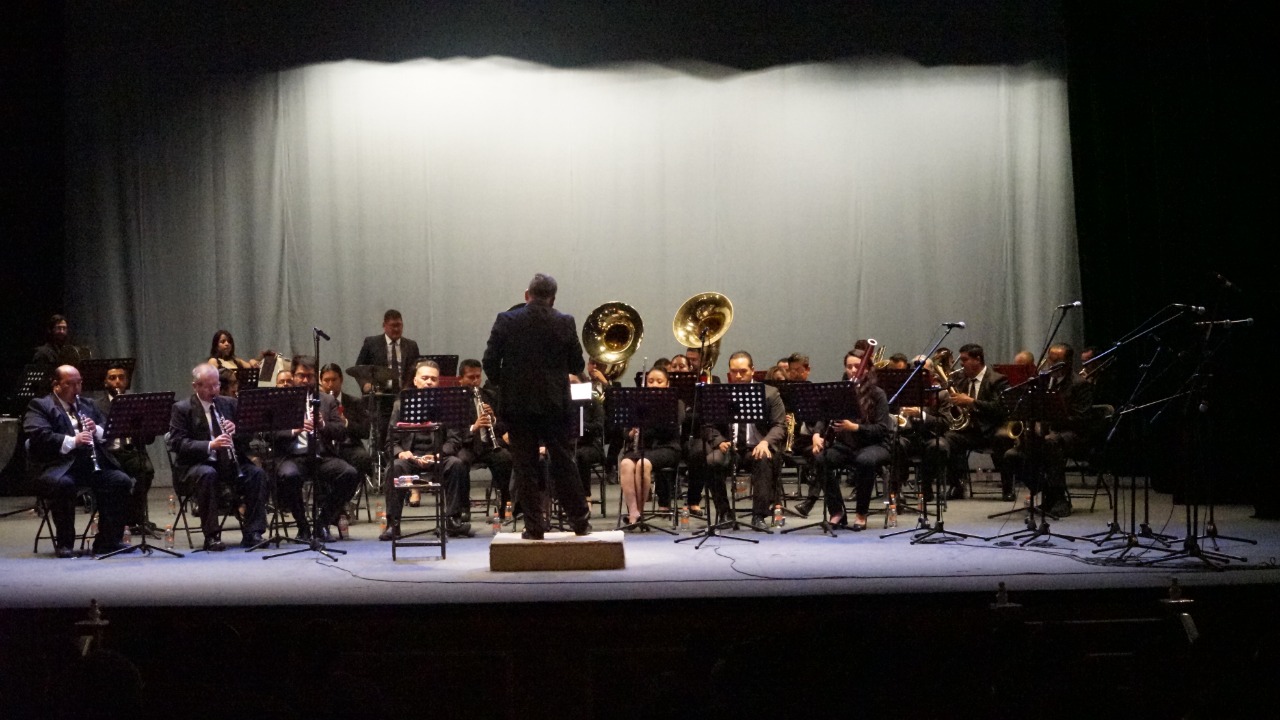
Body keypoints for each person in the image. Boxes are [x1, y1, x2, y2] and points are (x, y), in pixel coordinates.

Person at [482, 273, 591, 540]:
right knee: (564, 463)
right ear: (553, 299)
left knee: (525, 467)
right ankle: (580, 522)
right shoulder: (564, 321)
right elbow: (577, 364)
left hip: (518, 405)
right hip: (555, 404)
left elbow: (489, 362)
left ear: (527, 295)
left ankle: (534, 527)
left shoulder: (506, 320)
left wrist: (506, 384)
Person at [22, 365, 132, 557]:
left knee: (120, 480)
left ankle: (108, 541)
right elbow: (39, 436)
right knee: (65, 485)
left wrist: (96, 429)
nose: (76, 388)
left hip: (88, 466)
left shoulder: (87, 404)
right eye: (70, 384)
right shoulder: (40, 406)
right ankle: (65, 543)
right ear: (56, 385)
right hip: (57, 467)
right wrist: (74, 440)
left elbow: (108, 430)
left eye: (79, 383)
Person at [168, 364, 271, 550]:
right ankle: (212, 536)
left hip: (228, 464)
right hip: (195, 467)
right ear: (195, 386)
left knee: (257, 474)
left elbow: (249, 436)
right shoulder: (182, 408)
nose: (214, 390)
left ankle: (253, 533)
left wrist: (237, 431)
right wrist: (210, 445)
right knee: (208, 474)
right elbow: (177, 443)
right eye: (209, 386)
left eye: (216, 385)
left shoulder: (230, 404)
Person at [795, 344, 893, 529]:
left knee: (865, 461)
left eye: (857, 366)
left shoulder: (877, 394)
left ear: (867, 369)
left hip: (876, 445)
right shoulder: (840, 391)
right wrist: (816, 435)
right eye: (849, 366)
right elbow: (824, 416)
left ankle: (861, 513)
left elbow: (882, 429)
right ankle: (837, 511)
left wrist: (855, 427)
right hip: (847, 446)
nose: (853, 370)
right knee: (821, 459)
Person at [685, 351, 787, 530]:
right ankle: (725, 513)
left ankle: (759, 515)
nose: (738, 376)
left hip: (757, 447)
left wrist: (765, 442)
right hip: (730, 448)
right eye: (734, 371)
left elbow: (780, 425)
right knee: (712, 461)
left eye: (743, 371)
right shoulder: (720, 394)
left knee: (763, 458)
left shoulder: (770, 393)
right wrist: (719, 441)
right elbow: (708, 424)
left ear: (752, 370)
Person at [378, 360, 474, 540]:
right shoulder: (400, 405)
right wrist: (401, 453)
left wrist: (438, 454)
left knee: (457, 464)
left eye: (433, 379)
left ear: (438, 382)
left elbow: (454, 440)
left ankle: (452, 520)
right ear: (415, 381)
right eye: (424, 378)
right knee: (395, 467)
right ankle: (393, 523)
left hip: (437, 456)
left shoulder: (448, 406)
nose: (429, 382)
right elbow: (391, 441)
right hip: (410, 458)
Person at [272, 356, 360, 541]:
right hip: (291, 456)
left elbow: (341, 432)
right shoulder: (280, 400)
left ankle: (323, 523)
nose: (305, 380)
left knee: (350, 474)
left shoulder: (327, 400)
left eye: (309, 376)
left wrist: (323, 425)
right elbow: (269, 433)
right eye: (301, 375)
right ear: (293, 376)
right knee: (289, 476)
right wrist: (294, 430)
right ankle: (302, 525)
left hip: (321, 455)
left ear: (316, 378)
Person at [1003, 343, 1094, 517]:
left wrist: (1054, 420)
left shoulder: (1079, 384)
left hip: (1073, 434)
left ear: (1068, 362)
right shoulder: (1043, 381)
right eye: (1050, 360)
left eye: (1056, 360)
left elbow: (1082, 419)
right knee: (1012, 455)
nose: (1051, 364)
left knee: (1050, 442)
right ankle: (1046, 491)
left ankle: (1059, 499)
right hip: (1049, 432)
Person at [925, 343, 1011, 500]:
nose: (961, 364)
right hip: (970, 430)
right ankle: (956, 485)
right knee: (948, 438)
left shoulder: (997, 380)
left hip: (991, 428)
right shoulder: (960, 379)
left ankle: (1008, 488)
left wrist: (972, 402)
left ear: (977, 359)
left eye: (965, 360)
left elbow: (1000, 408)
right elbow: (955, 408)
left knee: (1002, 437)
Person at [618, 367, 685, 526]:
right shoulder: (638, 403)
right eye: (651, 381)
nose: (654, 384)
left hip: (667, 448)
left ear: (667, 384)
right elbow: (625, 432)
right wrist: (631, 433)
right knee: (626, 464)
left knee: (643, 464)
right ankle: (633, 512)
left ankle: (639, 512)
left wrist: (647, 423)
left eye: (659, 381)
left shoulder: (676, 403)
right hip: (643, 448)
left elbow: (670, 429)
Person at [101, 363, 157, 536]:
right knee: (117, 480)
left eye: (121, 378)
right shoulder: (97, 405)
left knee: (146, 470)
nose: (117, 381)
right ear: (105, 382)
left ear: (127, 382)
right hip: (109, 454)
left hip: (131, 451)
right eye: (112, 378)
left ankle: (134, 516)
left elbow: (149, 439)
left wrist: (146, 424)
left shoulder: (136, 404)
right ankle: (122, 518)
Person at [454, 358, 514, 515]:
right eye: (470, 377)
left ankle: (505, 504)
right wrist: (474, 427)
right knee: (460, 462)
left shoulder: (490, 396)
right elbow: (452, 430)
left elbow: (503, 426)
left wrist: (493, 419)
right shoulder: (454, 399)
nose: (475, 381)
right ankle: (463, 508)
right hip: (466, 445)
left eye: (478, 376)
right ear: (460, 379)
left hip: (488, 445)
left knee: (505, 458)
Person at [319, 363, 373, 483]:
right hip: (325, 447)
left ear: (341, 380)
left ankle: (351, 490)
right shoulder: (318, 403)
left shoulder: (354, 402)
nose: (330, 384)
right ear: (321, 382)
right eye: (326, 380)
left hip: (348, 446)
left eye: (334, 380)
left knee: (363, 458)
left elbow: (365, 431)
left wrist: (346, 422)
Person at [355, 309, 421, 392]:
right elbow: (359, 369)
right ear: (384, 325)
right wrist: (365, 384)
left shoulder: (411, 346)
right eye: (393, 325)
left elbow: (417, 370)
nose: (396, 329)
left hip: (405, 393)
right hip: (378, 394)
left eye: (399, 325)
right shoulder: (371, 344)